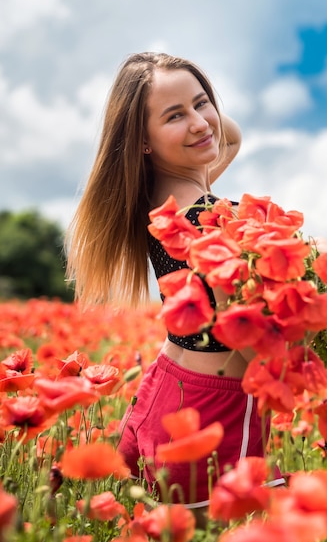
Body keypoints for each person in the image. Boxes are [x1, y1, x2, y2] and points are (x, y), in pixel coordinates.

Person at [66, 52, 285, 516]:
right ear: (143, 142)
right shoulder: (210, 223)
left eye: (202, 103)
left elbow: (231, 135)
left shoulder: (162, 201)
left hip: (164, 392)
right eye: (173, 116)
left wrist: (182, 110)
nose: (202, 125)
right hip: (213, 414)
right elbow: (249, 345)